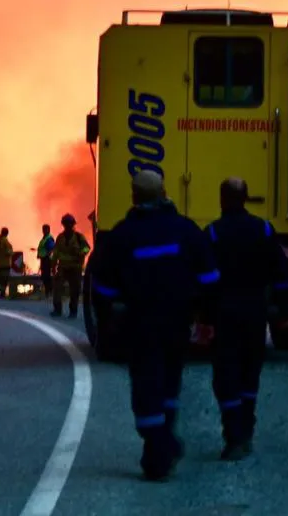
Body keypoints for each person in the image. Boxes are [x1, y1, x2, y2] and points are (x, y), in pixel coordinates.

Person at [91, 170, 219, 481]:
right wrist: (207, 317)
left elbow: (103, 288)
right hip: (177, 321)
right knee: (170, 381)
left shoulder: (121, 235)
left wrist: (106, 323)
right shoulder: (186, 231)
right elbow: (209, 279)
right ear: (164, 193)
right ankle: (163, 443)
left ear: (134, 197)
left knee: (147, 384)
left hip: (141, 323)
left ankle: (158, 447)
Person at [204, 177, 288, 461]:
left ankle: (234, 436)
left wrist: (203, 317)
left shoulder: (213, 234)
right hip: (256, 313)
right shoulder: (264, 230)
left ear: (222, 199)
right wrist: (283, 310)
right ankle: (246, 430)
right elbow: (282, 276)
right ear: (245, 198)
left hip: (225, 314)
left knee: (226, 375)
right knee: (249, 373)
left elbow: (205, 281)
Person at [50, 214, 91, 319]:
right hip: (62, 267)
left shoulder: (78, 237)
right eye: (65, 223)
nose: (67, 225)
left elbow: (87, 248)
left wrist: (81, 253)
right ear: (63, 224)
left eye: (69, 223)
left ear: (73, 224)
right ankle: (57, 309)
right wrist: (53, 265)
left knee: (75, 291)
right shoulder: (60, 237)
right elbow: (56, 252)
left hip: (75, 268)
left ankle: (73, 311)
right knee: (57, 289)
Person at [37, 224, 56, 298]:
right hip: (43, 259)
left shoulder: (49, 238)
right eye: (43, 229)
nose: (44, 231)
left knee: (46, 276)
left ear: (48, 230)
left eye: (45, 229)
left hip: (46, 260)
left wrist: (47, 255)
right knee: (44, 276)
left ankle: (49, 292)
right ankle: (48, 291)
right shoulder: (44, 238)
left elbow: (51, 248)